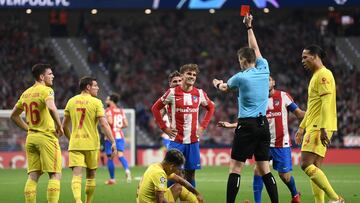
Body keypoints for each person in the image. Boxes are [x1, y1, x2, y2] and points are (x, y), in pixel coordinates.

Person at [212, 14, 278, 203]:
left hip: (247, 125)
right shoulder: (264, 69)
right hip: (263, 125)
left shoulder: (240, 77)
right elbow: (256, 48)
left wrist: (217, 83)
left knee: (235, 168)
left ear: (242, 60)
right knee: (265, 169)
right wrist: (249, 27)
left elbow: (225, 88)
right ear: (255, 59)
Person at [218, 76, 304, 203]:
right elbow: (251, 121)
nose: (266, 82)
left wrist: (309, 121)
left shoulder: (283, 96)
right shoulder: (259, 99)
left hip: (281, 143)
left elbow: (299, 113)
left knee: (284, 176)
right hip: (264, 141)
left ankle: (295, 194)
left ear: (274, 82)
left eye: (269, 79)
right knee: (258, 170)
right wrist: (231, 125)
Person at [151, 64, 215, 187]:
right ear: (182, 76)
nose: (192, 76)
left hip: (193, 140)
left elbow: (211, 107)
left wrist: (203, 127)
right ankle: (168, 199)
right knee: (171, 172)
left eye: (194, 75)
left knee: (190, 173)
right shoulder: (172, 93)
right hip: (177, 140)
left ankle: (190, 199)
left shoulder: (199, 93)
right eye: (189, 74)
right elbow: (155, 108)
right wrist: (164, 128)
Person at [295, 45, 344, 203]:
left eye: (305, 57)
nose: (303, 61)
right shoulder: (316, 75)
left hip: (318, 126)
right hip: (315, 125)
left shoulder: (323, 74)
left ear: (315, 56)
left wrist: (322, 127)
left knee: (305, 164)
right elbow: (313, 107)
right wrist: (302, 127)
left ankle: (336, 199)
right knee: (314, 167)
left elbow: (326, 102)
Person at [10, 64, 63, 203]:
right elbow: (51, 107)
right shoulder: (47, 91)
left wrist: (28, 129)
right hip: (46, 137)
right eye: (50, 74)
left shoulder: (25, 93)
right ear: (41, 76)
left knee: (33, 176)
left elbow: (14, 116)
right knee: (55, 175)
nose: (53, 76)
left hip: (31, 138)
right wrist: (59, 125)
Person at [62, 76, 117, 203]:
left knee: (76, 174)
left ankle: (77, 200)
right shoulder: (96, 102)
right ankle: (88, 201)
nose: (98, 88)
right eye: (95, 85)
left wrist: (72, 139)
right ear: (88, 87)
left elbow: (64, 125)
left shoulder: (71, 101)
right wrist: (112, 141)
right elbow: (104, 124)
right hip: (92, 144)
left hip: (76, 144)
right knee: (91, 175)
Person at [136, 149, 204, 203]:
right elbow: (161, 201)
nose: (177, 171)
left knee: (178, 187)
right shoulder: (159, 173)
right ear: (172, 166)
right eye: (178, 168)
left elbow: (180, 180)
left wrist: (197, 193)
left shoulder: (157, 166)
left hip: (151, 200)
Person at [104, 93, 132, 185]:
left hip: (110, 136)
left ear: (111, 101)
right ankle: (127, 170)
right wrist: (118, 127)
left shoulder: (108, 110)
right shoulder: (121, 110)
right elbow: (126, 124)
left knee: (110, 157)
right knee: (120, 155)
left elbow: (110, 122)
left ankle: (112, 179)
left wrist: (105, 122)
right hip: (120, 135)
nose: (106, 100)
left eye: (108, 99)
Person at [160, 71, 182, 149]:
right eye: (175, 81)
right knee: (173, 160)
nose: (178, 83)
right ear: (170, 84)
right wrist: (165, 129)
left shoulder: (192, 95)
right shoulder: (166, 100)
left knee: (192, 161)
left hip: (191, 137)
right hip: (175, 137)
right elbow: (158, 117)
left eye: (180, 81)